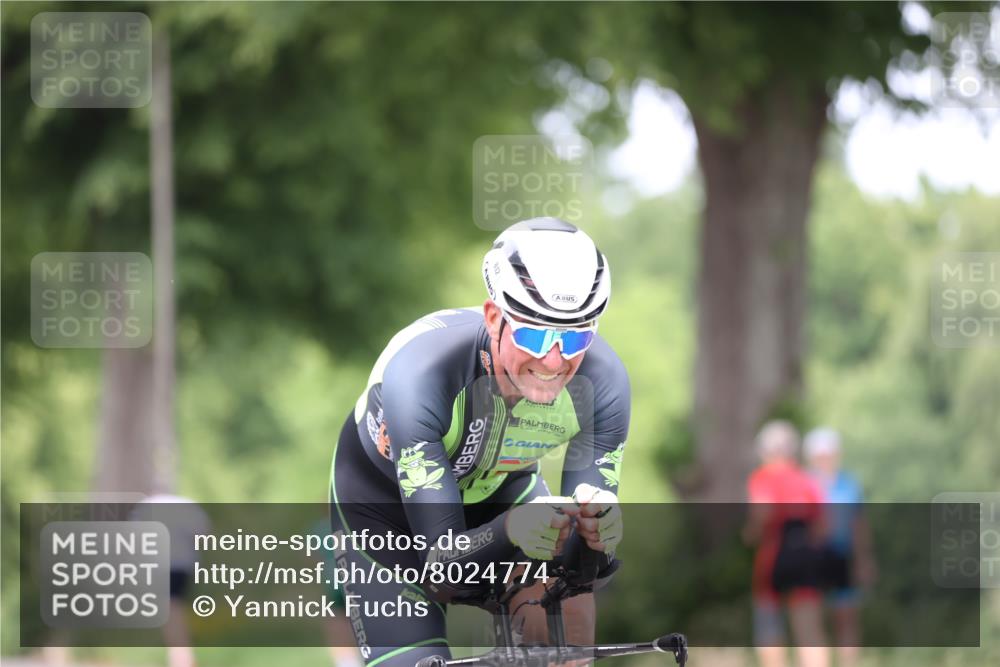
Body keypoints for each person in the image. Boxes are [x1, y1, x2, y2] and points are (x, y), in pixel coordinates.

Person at [328, 218, 628, 667]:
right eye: (535, 334)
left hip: (501, 493)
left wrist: (598, 538)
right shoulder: (422, 376)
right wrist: (512, 529)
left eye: (575, 337)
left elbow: (588, 569)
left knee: (567, 631)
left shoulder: (603, 384)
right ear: (493, 317)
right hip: (383, 516)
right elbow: (445, 568)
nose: (554, 359)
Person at [745, 421, 829, 667]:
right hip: (805, 556)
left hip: (774, 557)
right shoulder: (806, 480)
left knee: (769, 628)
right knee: (809, 631)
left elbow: (761, 517)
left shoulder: (762, 478)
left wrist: (750, 535)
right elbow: (822, 527)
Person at [804, 428, 876, 667]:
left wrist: (864, 559)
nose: (826, 459)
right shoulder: (804, 484)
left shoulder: (849, 485)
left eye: (830, 454)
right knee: (813, 619)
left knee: (846, 618)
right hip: (813, 559)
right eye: (821, 455)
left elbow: (858, 524)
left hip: (842, 555)